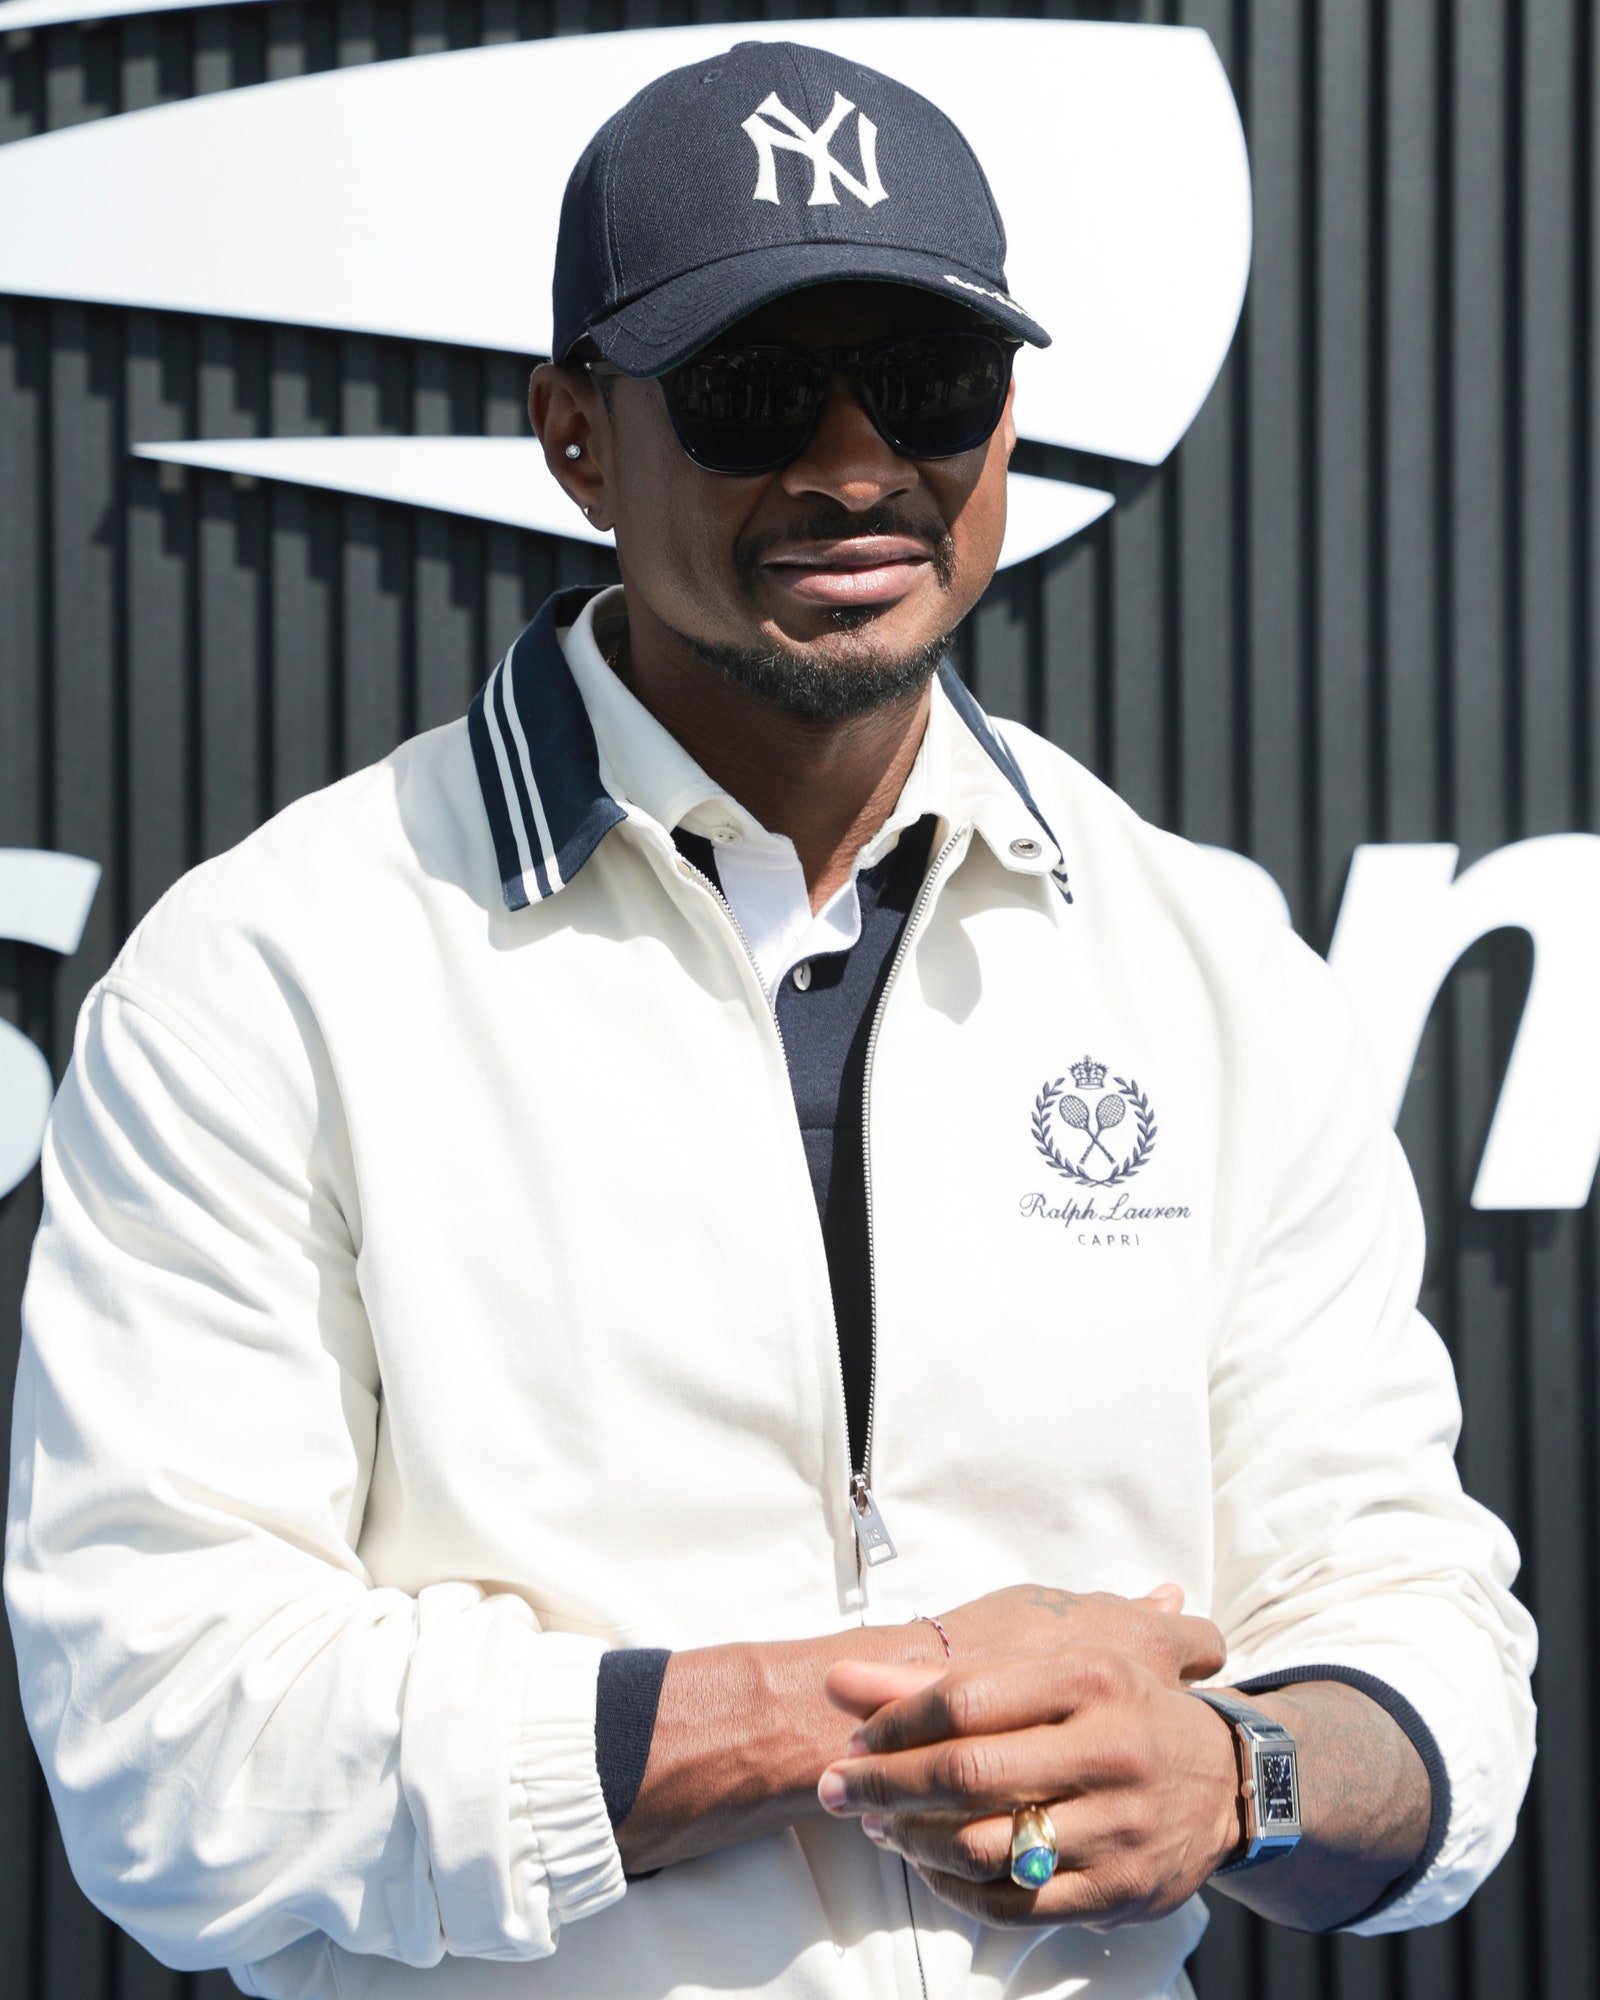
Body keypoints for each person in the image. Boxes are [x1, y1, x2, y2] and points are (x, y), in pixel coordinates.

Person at [5, 37, 1534, 2000]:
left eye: (922, 384)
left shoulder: (1207, 959)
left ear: (1001, 421)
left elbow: (1414, 1642)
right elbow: (169, 1755)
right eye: (746, 393)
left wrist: (1228, 1769)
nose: (848, 466)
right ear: (572, 434)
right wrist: (832, 1717)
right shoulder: (270, 974)